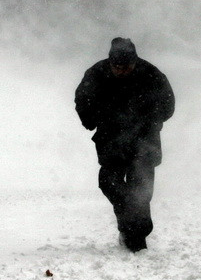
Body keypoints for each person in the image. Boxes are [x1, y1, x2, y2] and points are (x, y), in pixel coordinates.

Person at [74, 38, 175, 252]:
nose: (121, 71)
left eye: (126, 67)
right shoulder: (96, 73)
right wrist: (91, 119)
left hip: (145, 141)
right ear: (110, 62)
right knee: (109, 182)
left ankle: (136, 236)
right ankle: (133, 227)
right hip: (110, 139)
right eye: (117, 67)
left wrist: (149, 121)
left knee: (141, 190)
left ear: (135, 62)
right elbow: (82, 99)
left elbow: (168, 104)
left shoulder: (151, 75)